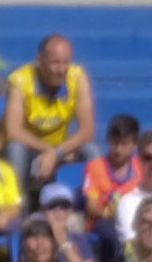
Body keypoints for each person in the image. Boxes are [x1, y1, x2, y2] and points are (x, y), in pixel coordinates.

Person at [5, 34, 99, 187]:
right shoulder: (20, 80)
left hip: (61, 148)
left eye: (65, 62)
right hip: (31, 148)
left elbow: (88, 130)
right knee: (16, 148)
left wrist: (57, 152)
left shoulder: (78, 77)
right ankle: (16, 197)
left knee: (91, 149)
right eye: (55, 63)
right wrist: (50, 151)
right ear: (39, 61)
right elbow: (13, 131)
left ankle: (97, 195)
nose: (61, 70)